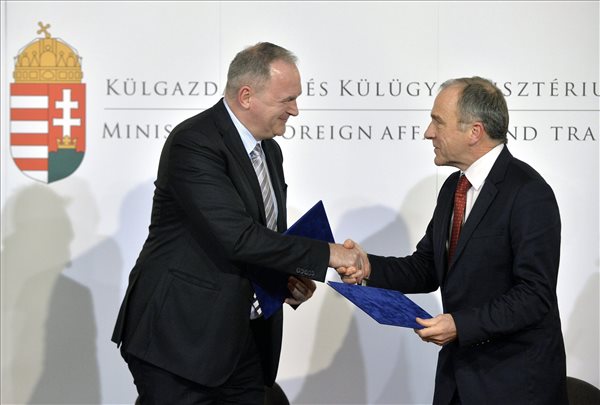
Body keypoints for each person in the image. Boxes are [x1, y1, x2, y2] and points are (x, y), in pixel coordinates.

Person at [112, 42, 365, 404]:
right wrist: (329, 254)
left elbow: (263, 237)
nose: (295, 110)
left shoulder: (269, 150)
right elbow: (238, 238)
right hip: (180, 340)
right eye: (287, 99)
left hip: (242, 341)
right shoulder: (194, 142)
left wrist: (285, 280)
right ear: (247, 96)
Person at [338, 77, 568, 404]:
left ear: (474, 131)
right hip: (457, 379)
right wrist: (367, 267)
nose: (428, 133)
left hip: (513, 384)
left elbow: (534, 295)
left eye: (438, 122)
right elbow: (427, 267)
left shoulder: (528, 192)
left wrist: (460, 325)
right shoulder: (453, 188)